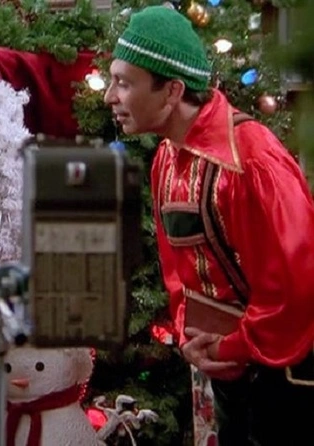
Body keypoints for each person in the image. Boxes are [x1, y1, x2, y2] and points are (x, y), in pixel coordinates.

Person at [103, 6, 314, 446]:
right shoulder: (167, 157)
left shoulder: (252, 162)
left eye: (124, 83)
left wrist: (230, 348)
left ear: (172, 90)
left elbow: (296, 288)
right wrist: (190, 336)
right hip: (229, 375)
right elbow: (177, 274)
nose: (109, 97)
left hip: (287, 384)